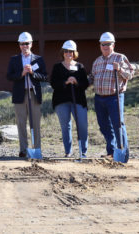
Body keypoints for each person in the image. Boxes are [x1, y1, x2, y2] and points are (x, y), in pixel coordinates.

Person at [89, 32, 134, 160]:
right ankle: (111, 151)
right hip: (99, 98)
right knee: (104, 125)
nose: (105, 46)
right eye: (103, 44)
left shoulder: (120, 58)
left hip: (114, 97)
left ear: (113, 45)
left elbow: (130, 74)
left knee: (118, 124)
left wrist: (120, 69)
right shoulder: (97, 61)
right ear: (100, 45)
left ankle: (122, 153)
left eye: (108, 44)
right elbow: (92, 77)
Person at [6, 32, 48, 158]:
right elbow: (9, 76)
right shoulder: (14, 59)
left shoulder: (38, 59)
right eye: (22, 44)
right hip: (20, 95)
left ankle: (36, 149)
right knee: (21, 123)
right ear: (19, 45)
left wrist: (33, 73)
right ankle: (23, 149)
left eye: (26, 43)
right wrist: (22, 73)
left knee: (35, 123)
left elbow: (45, 76)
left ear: (31, 44)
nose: (24, 46)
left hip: (33, 94)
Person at [50, 40, 89, 158]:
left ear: (74, 53)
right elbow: (53, 83)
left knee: (82, 124)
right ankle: (68, 151)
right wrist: (66, 82)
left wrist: (76, 81)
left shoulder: (80, 67)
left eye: (71, 51)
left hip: (78, 100)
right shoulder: (57, 67)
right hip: (61, 100)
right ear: (63, 52)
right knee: (65, 126)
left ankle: (83, 150)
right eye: (66, 51)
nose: (68, 54)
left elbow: (85, 84)